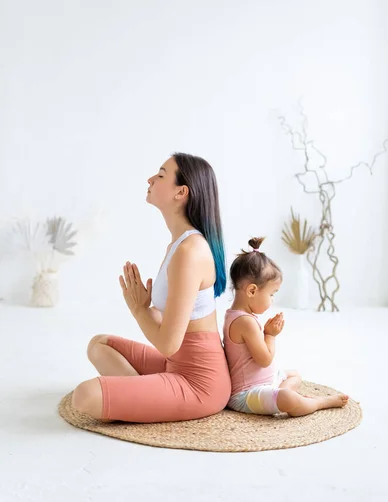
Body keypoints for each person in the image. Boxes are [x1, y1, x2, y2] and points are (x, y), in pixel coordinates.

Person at [72, 153, 231, 422]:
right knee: (98, 345)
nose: (150, 179)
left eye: (160, 175)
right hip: (174, 365)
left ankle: (146, 401)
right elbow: (169, 329)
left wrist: (139, 309)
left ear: (181, 192)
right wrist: (146, 310)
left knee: (84, 396)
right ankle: (147, 399)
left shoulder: (190, 251)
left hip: (200, 384)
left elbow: (168, 344)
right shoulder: (179, 244)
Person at [223, 237, 349, 417]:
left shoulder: (237, 315)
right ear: (252, 291)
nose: (272, 300)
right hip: (247, 394)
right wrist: (270, 335)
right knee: (287, 399)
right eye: (272, 294)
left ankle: (286, 395)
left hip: (267, 383)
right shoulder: (245, 322)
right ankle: (317, 402)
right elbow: (264, 359)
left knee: (294, 375)